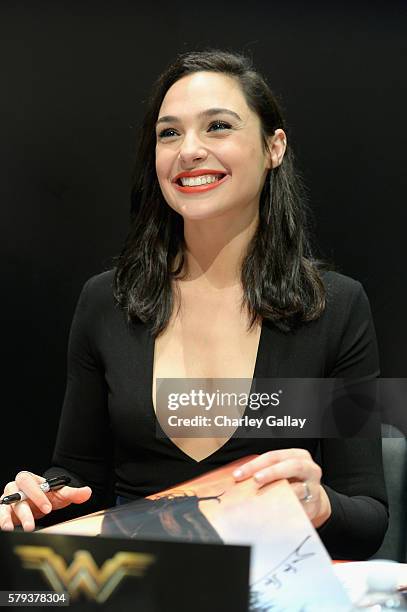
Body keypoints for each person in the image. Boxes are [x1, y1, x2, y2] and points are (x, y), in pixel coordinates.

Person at [0, 50, 388, 559]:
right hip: (138, 581)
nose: (189, 151)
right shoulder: (107, 301)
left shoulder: (333, 307)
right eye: (169, 133)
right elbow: (79, 481)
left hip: (271, 579)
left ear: (274, 147)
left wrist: (317, 503)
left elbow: (368, 520)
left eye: (218, 126)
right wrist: (36, 500)